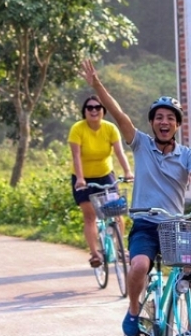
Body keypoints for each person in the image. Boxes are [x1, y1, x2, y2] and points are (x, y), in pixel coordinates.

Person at [79, 59, 191, 336]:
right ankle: (134, 311)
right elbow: (120, 114)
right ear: (152, 123)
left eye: (170, 118)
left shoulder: (187, 155)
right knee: (139, 266)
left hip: (175, 226)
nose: (164, 122)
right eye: (159, 117)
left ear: (177, 125)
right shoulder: (141, 144)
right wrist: (96, 85)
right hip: (145, 223)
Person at [69, 95, 133, 268]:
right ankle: (95, 253)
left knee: (117, 213)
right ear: (85, 112)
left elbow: (120, 152)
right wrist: (80, 179)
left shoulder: (110, 128)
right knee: (90, 216)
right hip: (83, 177)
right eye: (90, 108)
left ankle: (120, 249)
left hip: (105, 175)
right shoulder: (78, 129)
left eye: (98, 107)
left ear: (103, 111)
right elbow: (76, 156)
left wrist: (127, 171)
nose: (94, 110)